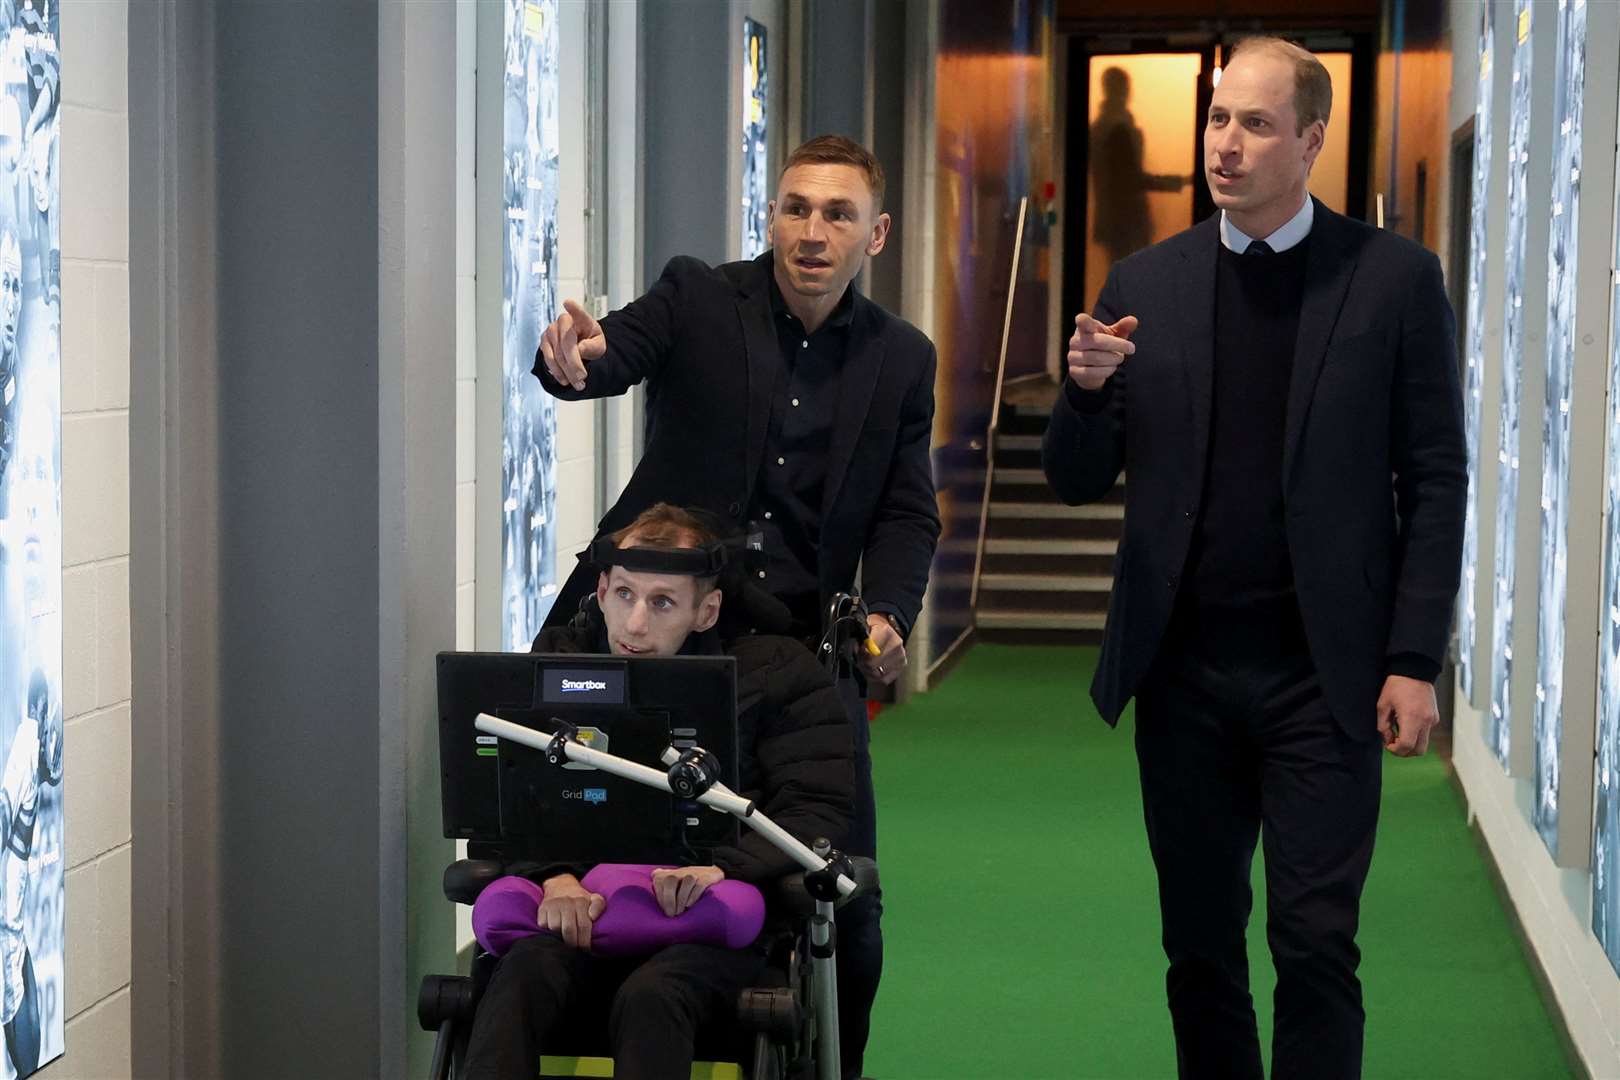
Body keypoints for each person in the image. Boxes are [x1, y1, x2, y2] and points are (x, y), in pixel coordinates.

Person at [1043, 37, 1465, 1079]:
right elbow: (1076, 479)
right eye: (1219, 118)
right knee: (1199, 947)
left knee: (1316, 943)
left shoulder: (1394, 281)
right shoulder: (1149, 279)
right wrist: (1086, 392)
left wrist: (1414, 657)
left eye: (1257, 124)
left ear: (1311, 139)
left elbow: (1437, 477)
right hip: (1183, 672)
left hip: (1325, 673)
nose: (1226, 144)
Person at [536, 134, 939, 1077]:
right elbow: (613, 350)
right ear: (771, 218)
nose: (813, 231)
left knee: (852, 904)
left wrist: (887, 614)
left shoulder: (901, 359)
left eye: (838, 215)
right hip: (657, 627)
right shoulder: (699, 298)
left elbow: (906, 509)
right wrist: (575, 361)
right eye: (796, 208)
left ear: (873, 233)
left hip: (798, 652)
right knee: (581, 837)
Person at [460, 504, 854, 1080]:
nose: (635, 624)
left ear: (706, 609)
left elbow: (815, 807)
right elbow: (514, 798)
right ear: (600, 589)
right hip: (582, 916)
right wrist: (556, 874)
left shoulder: (779, 675)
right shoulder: (561, 664)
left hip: (708, 927)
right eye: (623, 595)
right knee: (517, 976)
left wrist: (726, 869)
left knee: (653, 995)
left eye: (662, 602)